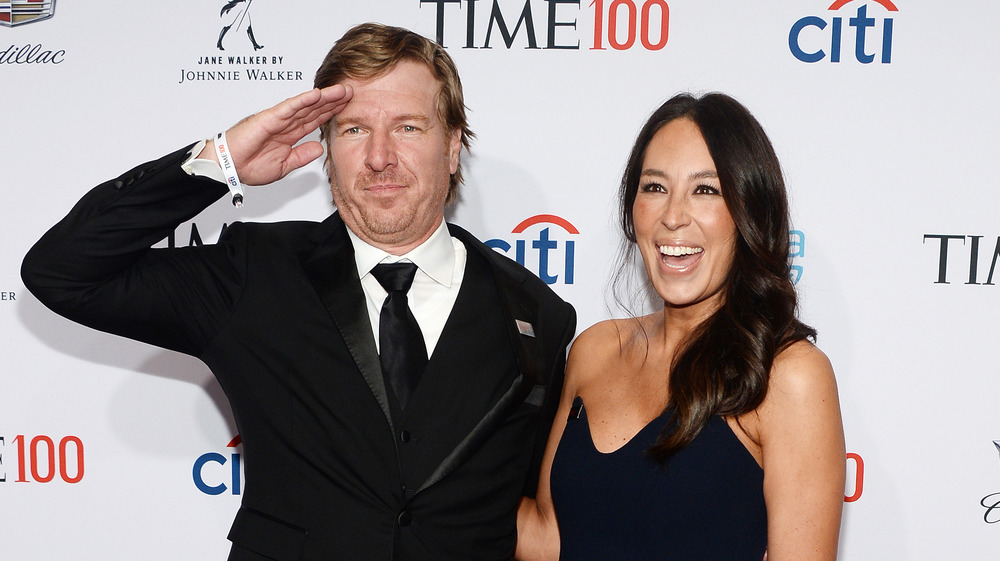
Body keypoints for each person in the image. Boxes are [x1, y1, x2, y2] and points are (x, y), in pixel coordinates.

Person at [21, 23, 575, 561]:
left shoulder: (536, 314)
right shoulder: (255, 273)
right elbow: (63, 271)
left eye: (408, 127)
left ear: (452, 147)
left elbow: (531, 512)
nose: (380, 157)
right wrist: (222, 162)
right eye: (354, 129)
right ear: (326, 148)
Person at [515, 93, 845, 561]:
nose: (673, 216)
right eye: (654, 187)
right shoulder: (595, 349)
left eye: (706, 190)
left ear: (749, 212)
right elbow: (550, 538)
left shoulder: (789, 376)